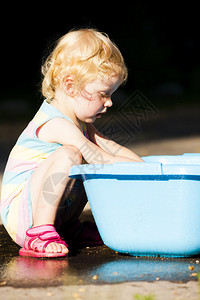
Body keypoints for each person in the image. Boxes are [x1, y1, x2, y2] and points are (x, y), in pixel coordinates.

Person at [0, 28, 144, 258]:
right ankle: (40, 232)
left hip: (39, 207)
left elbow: (110, 147)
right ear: (70, 85)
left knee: (85, 164)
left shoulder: (81, 123)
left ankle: (67, 227)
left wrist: (146, 169)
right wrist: (137, 171)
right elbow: (99, 157)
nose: (109, 103)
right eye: (103, 94)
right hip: (21, 216)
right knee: (73, 156)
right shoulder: (55, 123)